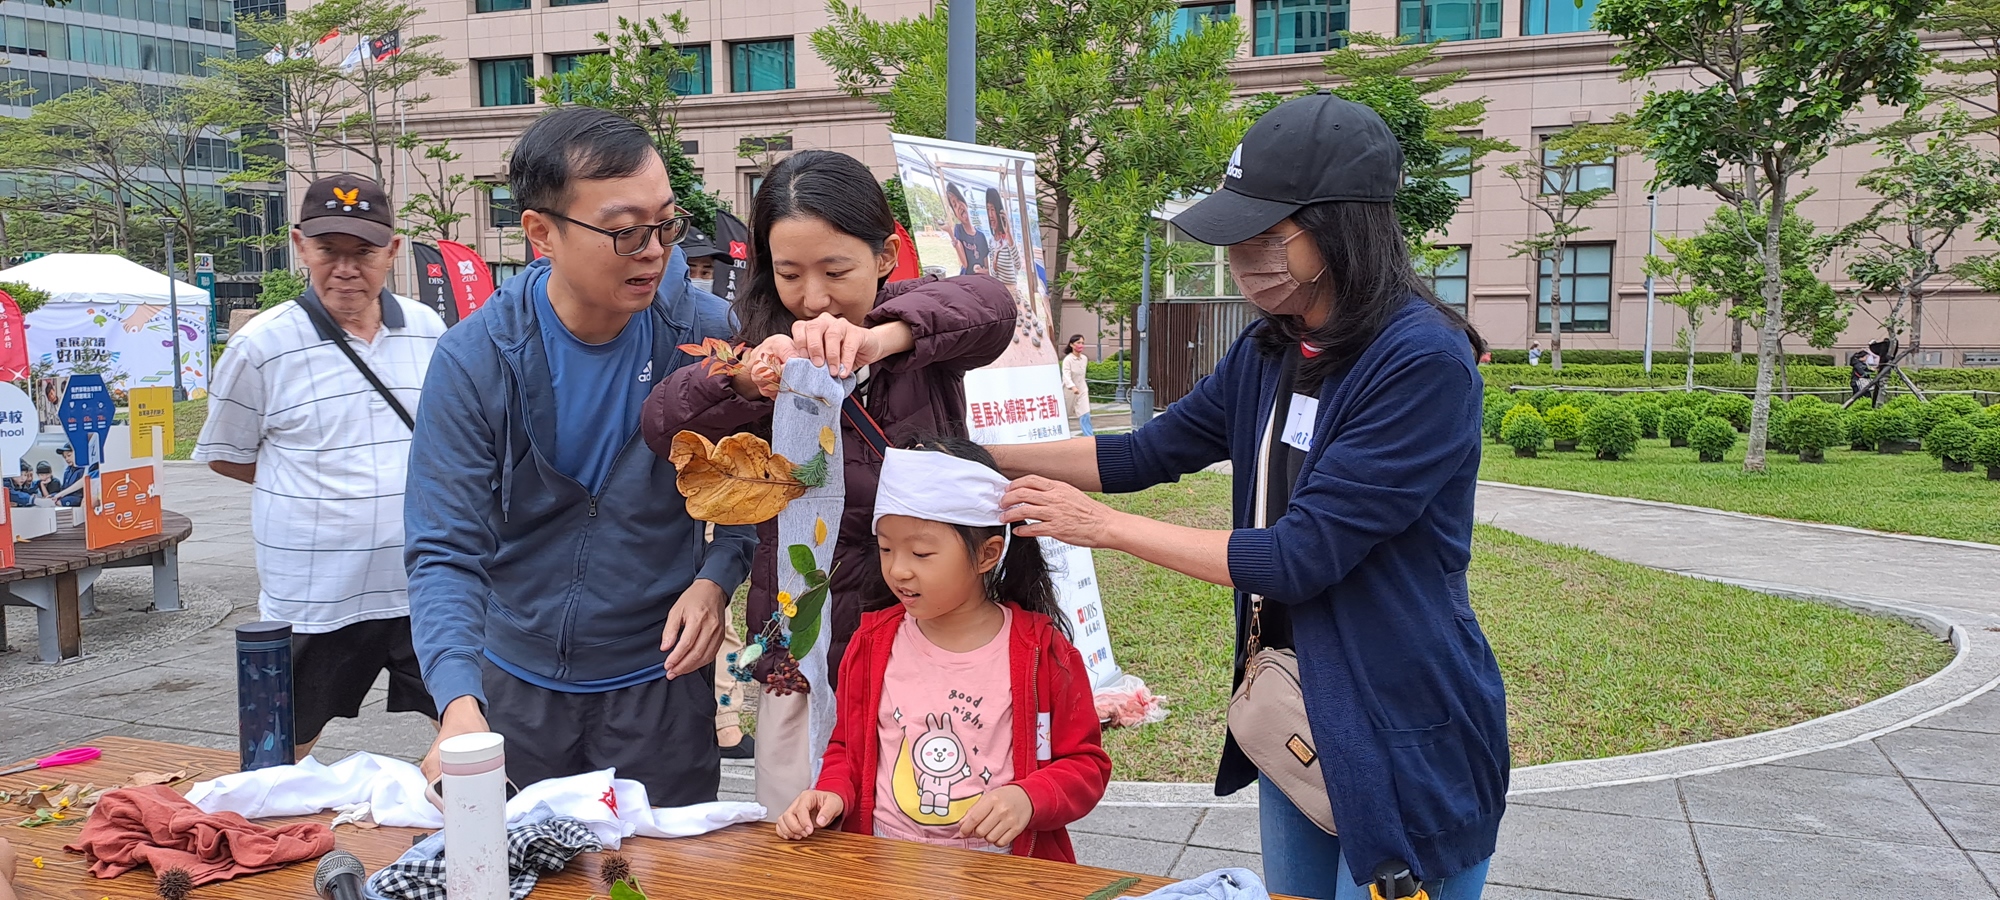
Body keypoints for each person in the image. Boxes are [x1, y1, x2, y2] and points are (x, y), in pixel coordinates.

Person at [983, 95, 1506, 899]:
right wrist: (963, 449)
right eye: (1236, 236)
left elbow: (1300, 557)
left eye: (1265, 236)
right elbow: (1144, 452)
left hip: (1400, 719)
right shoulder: (1272, 347)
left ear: (1339, 229)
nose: (1241, 256)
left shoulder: (1421, 361)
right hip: (1295, 705)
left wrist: (1104, 529)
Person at [641, 148, 1015, 817]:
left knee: (927, 827)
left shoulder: (919, 332)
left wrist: (881, 338)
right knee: (805, 840)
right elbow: (662, 428)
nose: (813, 296)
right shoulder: (760, 355)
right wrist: (743, 378)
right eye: (789, 273)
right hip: (803, 657)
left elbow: (990, 306)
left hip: (922, 639)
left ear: (883, 254)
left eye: (836, 269)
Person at [406, 108, 755, 805]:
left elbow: (755, 484)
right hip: (515, 682)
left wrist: (717, 577)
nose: (653, 250)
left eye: (666, 224)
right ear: (540, 232)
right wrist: (457, 703)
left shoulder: (709, 338)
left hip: (661, 685)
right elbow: (445, 548)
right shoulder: (478, 358)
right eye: (624, 231)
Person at [193, 173, 448, 761]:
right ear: (300, 244)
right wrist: (315, 491)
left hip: (423, 584)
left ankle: (475, 849)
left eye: (363, 252)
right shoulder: (261, 346)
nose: (345, 268)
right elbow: (229, 457)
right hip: (314, 595)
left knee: (471, 741)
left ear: (392, 251)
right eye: (329, 250)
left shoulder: (430, 332)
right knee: (279, 750)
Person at [775, 439, 1109, 861]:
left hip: (999, 871)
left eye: (921, 552)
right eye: (885, 548)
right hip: (886, 865)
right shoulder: (873, 642)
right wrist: (831, 791)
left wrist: (1029, 797)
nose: (898, 569)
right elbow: (847, 747)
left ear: (988, 554)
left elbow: (1085, 765)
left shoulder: (1041, 652)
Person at [946, 184, 990, 277]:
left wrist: (981, 271)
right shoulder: (958, 230)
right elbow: (965, 264)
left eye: (959, 200)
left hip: (981, 281)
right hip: (967, 281)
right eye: (954, 205)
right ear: (955, 214)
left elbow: (987, 270)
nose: (959, 206)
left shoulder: (981, 236)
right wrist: (950, 233)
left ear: (965, 203)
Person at [1061, 335, 1093, 436]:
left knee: (1085, 413)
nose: (1081, 345)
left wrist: (1079, 388)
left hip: (1082, 389)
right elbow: (1066, 375)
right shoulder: (1068, 360)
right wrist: (1072, 386)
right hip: (1069, 391)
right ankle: (1063, 434)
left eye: (1082, 343)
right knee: (1065, 414)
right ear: (1071, 345)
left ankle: (1089, 436)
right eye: (1078, 343)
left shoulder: (1084, 359)